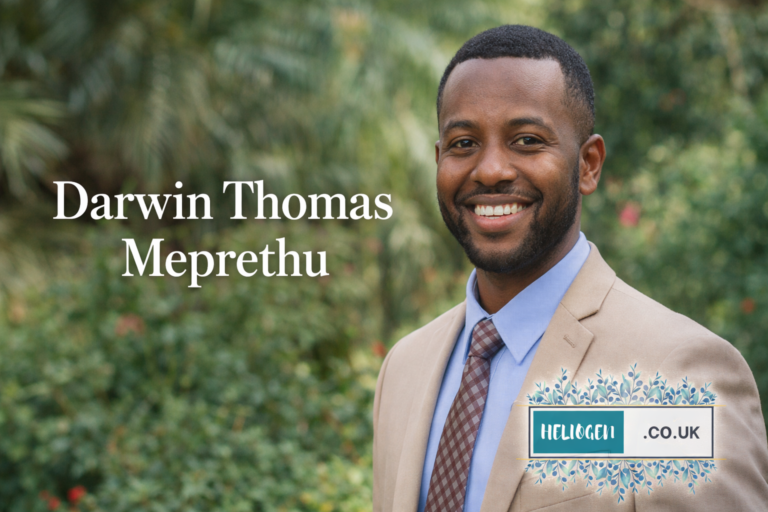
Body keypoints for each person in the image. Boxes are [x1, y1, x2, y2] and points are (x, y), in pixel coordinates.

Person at [372, 25, 768, 512]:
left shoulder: (673, 379)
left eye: (526, 140)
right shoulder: (403, 369)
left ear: (588, 165)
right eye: (462, 144)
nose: (490, 169)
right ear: (439, 160)